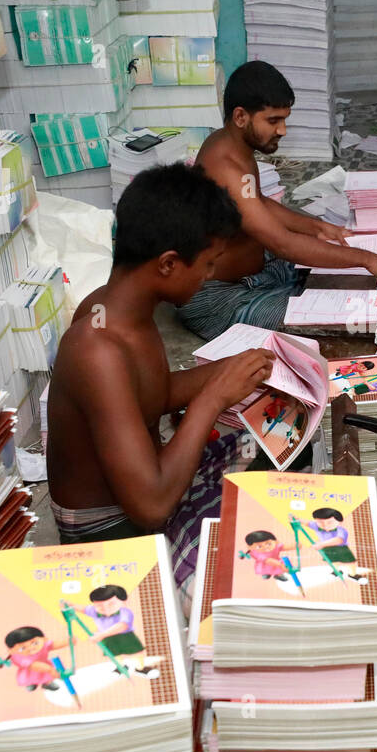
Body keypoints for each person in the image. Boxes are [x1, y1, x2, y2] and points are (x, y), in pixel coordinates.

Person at [46, 162, 275, 598]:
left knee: (275, 454)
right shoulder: (98, 350)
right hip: (111, 536)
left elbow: (152, 396)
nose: (210, 276)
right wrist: (212, 397)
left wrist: (235, 371)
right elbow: (150, 508)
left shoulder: (118, 309)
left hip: (145, 490)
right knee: (256, 570)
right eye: (207, 264)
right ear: (169, 263)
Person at [178, 61, 377, 341]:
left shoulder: (232, 144)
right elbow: (282, 243)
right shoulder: (224, 166)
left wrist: (314, 227)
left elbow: (259, 201)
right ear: (241, 117)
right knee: (335, 322)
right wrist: (367, 259)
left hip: (259, 270)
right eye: (273, 120)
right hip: (219, 299)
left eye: (284, 119)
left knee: (323, 256)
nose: (283, 130)